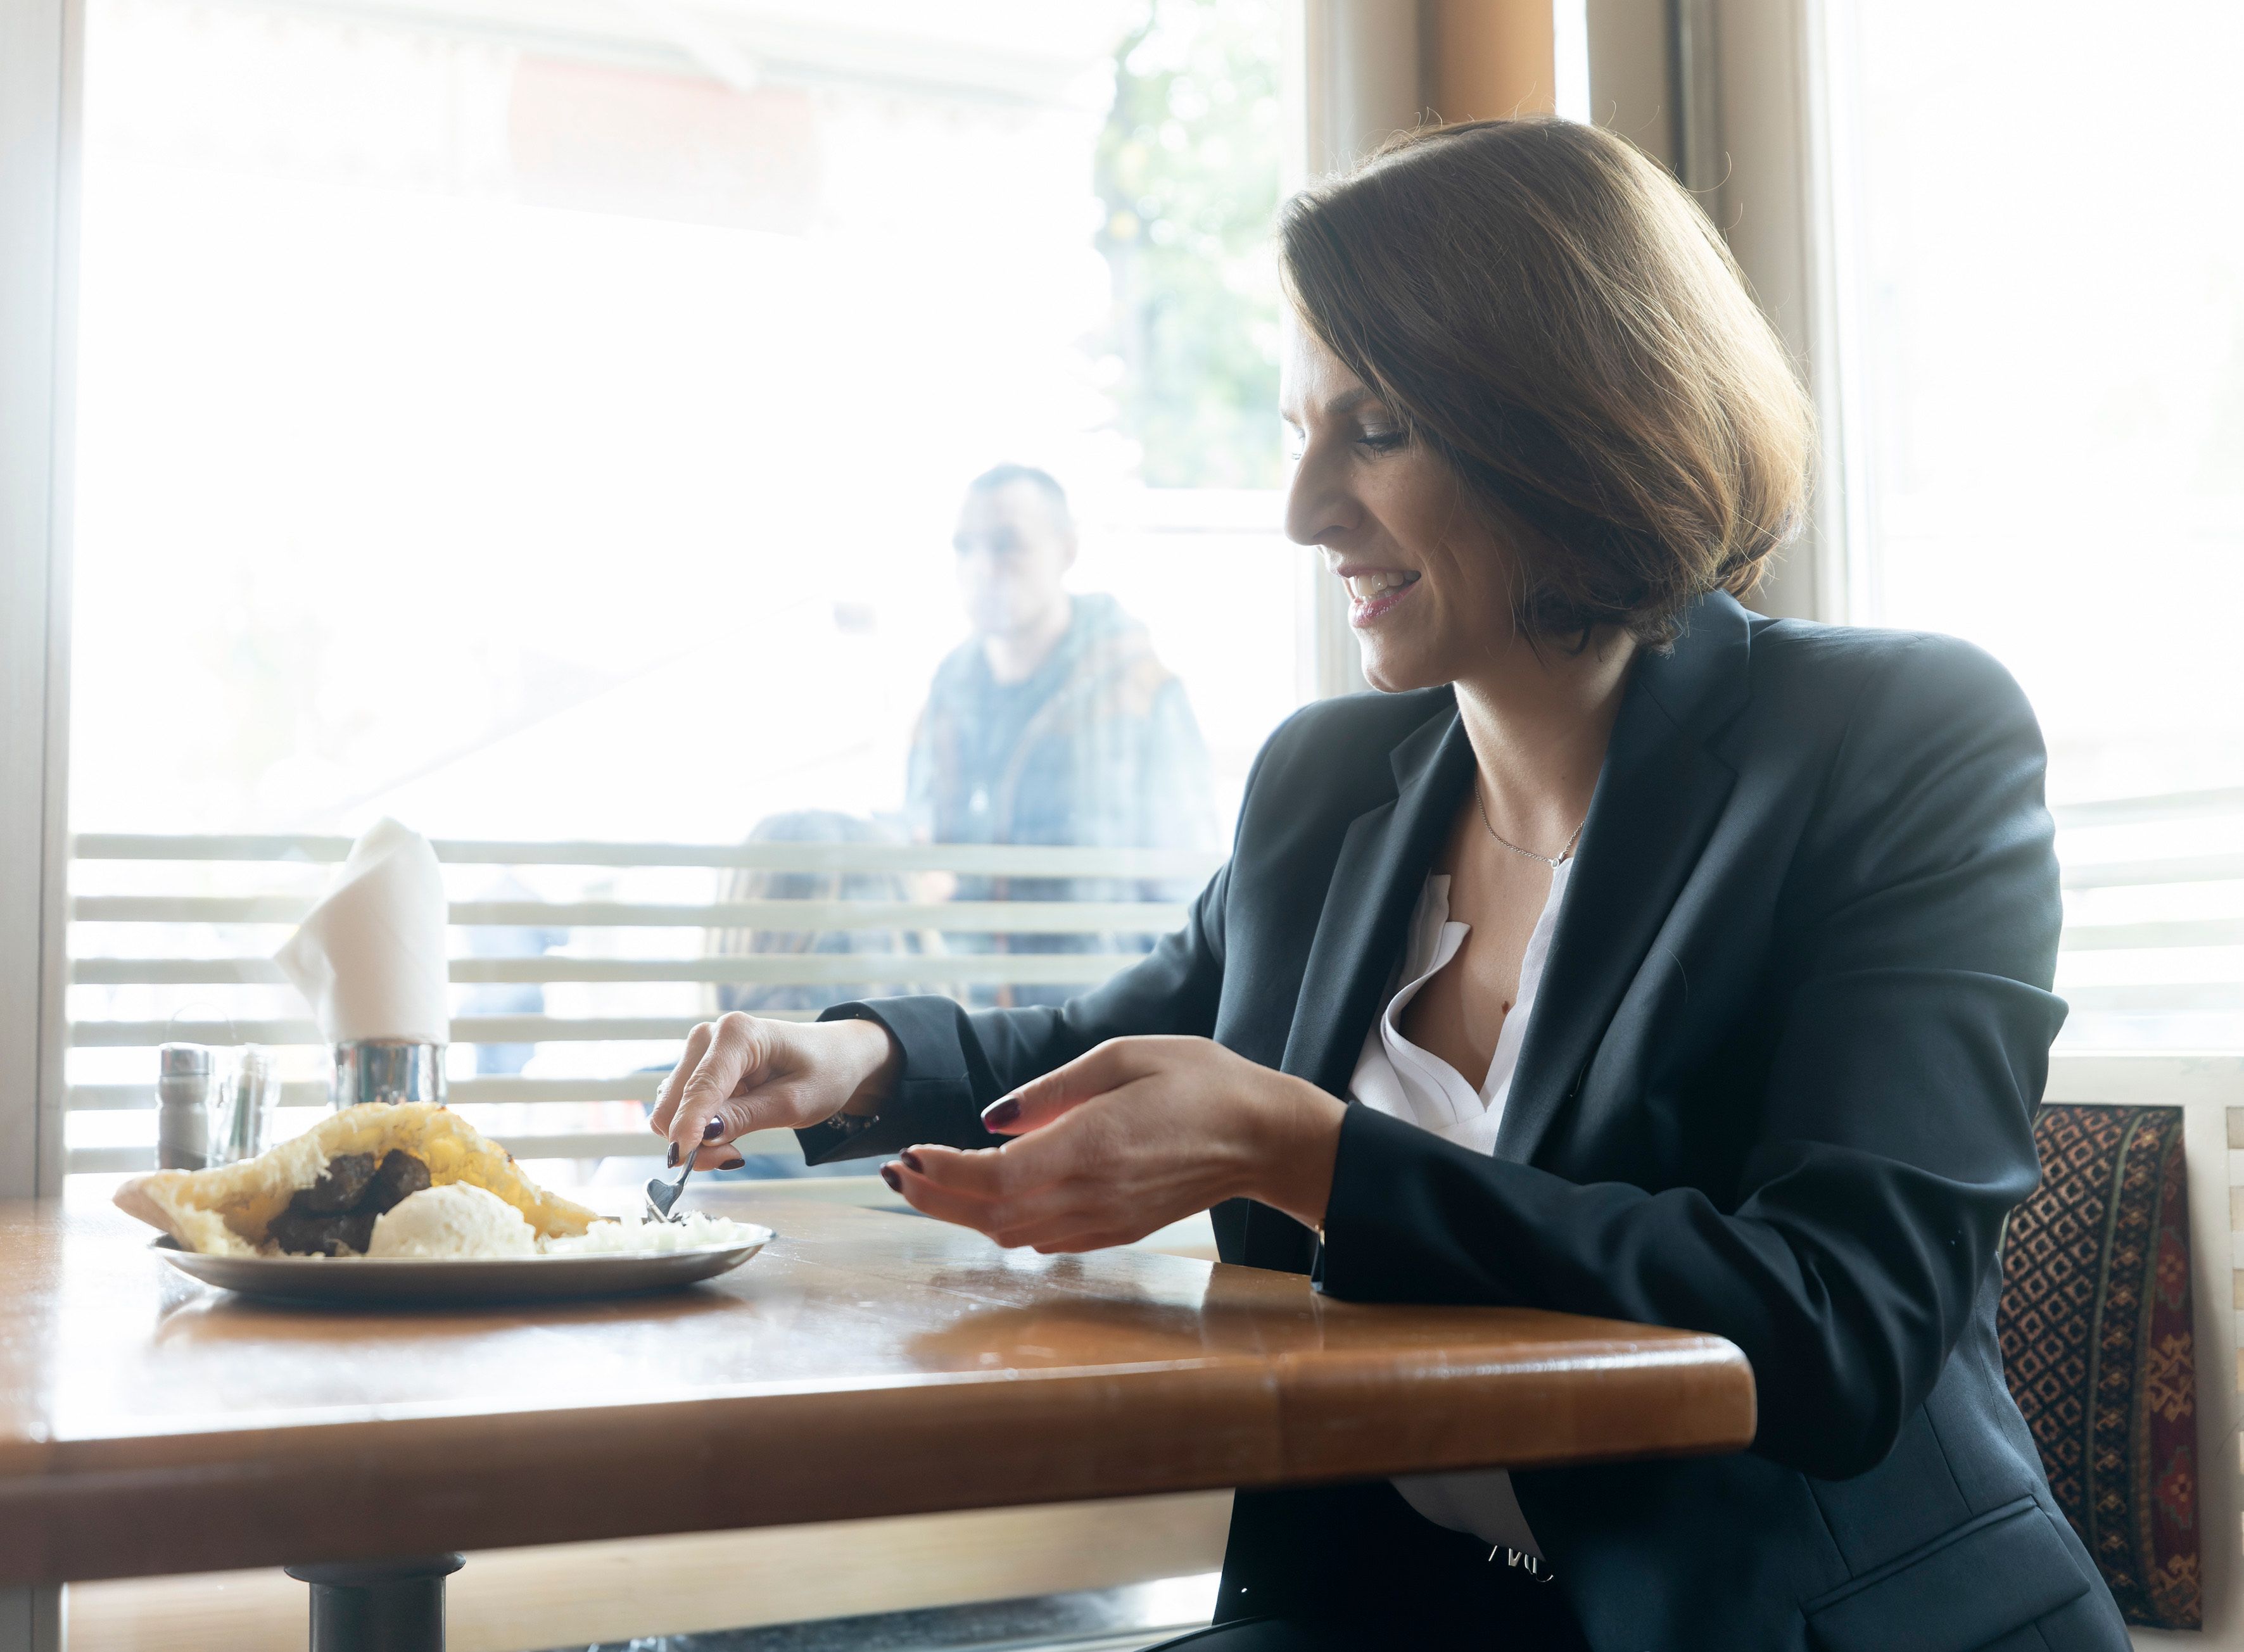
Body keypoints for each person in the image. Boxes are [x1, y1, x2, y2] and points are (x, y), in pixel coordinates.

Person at [652, 120, 2128, 1651]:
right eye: (1301, 429)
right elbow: (1124, 1035)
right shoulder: (1327, 782)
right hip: (1393, 1614)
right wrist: (854, 1057)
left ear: (1570, 425)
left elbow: (1841, 1324)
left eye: (1375, 431)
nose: (1304, 510)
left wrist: (1321, 1157)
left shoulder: (1893, 745)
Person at [907, 464, 1216, 1006]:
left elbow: (1184, 897)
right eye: (965, 547)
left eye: (1008, 544)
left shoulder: (1139, 692)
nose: (982, 567)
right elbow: (921, 859)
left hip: (1099, 1030)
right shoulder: (945, 700)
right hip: (963, 1028)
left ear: (1066, 550)